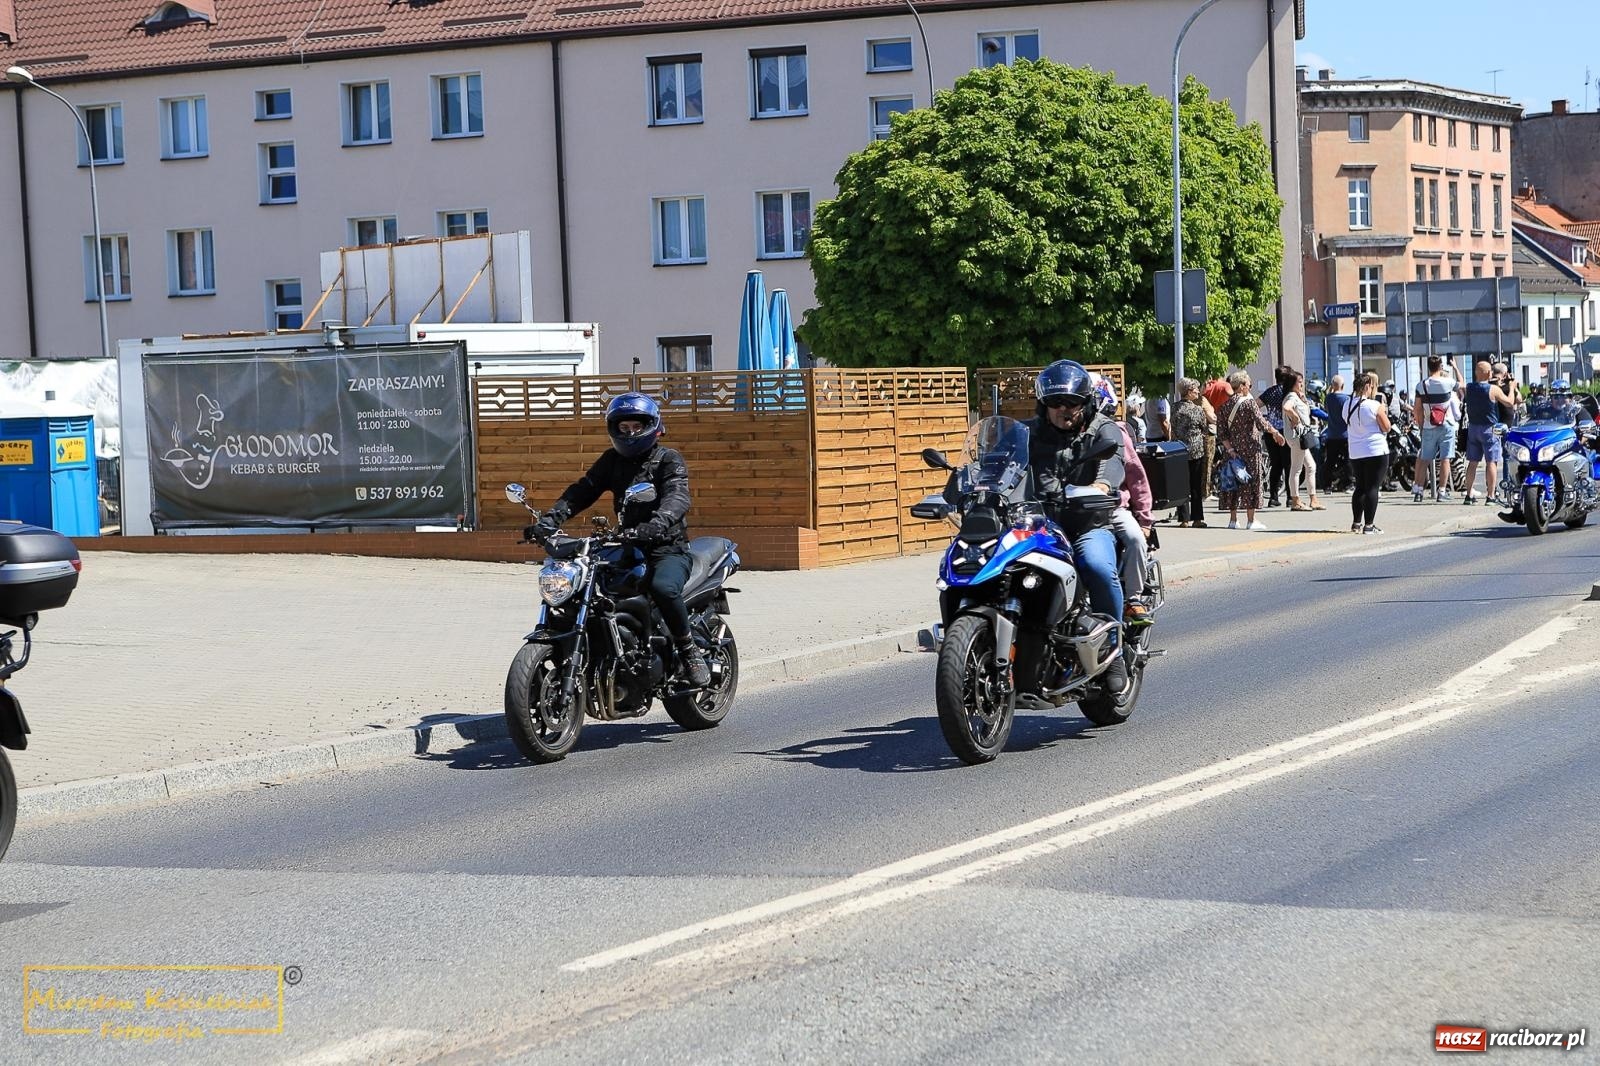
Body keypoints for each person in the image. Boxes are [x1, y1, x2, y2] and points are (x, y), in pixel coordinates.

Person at [531, 392, 710, 688]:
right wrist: (551, 519)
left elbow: (677, 497)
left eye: (636, 428)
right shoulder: (612, 460)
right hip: (628, 545)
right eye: (624, 428)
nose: (630, 433)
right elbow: (584, 490)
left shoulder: (668, 459)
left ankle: (688, 648)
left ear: (652, 426)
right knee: (592, 586)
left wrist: (657, 524)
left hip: (666, 547)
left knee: (662, 588)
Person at [1025, 360, 1130, 692]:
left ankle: (1114, 652)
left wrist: (1101, 487)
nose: (1063, 409)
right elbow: (999, 460)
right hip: (1038, 526)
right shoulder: (1029, 432)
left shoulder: (1103, 430)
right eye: (1055, 402)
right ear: (1044, 405)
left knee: (1097, 566)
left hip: (1086, 522)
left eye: (1071, 402)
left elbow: (1113, 463)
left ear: (1085, 403)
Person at [1090, 374, 1155, 627]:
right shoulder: (1065, 433)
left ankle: (1132, 599)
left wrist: (1145, 519)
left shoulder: (1116, 433)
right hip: (1074, 508)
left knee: (1136, 538)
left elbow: (1136, 475)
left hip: (1112, 507)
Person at [1216, 371, 1285, 530]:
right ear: (1241, 387)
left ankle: (1233, 520)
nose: (1250, 387)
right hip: (1250, 448)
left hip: (1231, 450)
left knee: (1233, 482)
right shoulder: (1249, 403)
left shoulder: (1225, 406)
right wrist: (1275, 432)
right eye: (1249, 384)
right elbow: (1261, 423)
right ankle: (1251, 520)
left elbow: (1222, 433)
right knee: (1251, 482)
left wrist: (1231, 449)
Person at [1461, 360, 1519, 506]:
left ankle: (1468, 495)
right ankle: (1491, 496)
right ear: (1489, 373)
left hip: (1473, 428)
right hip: (1489, 429)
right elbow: (1509, 402)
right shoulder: (1493, 389)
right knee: (1491, 462)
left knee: (1472, 463)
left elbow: (1461, 386)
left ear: (1475, 372)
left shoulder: (1469, 387)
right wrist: (1511, 387)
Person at [1412, 355, 1463, 502]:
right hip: (1446, 425)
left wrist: (1422, 426)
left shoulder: (1421, 386)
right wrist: (1455, 367)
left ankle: (1419, 492)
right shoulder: (1448, 382)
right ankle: (1442, 492)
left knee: (1425, 459)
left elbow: (1417, 409)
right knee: (1445, 458)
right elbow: (1462, 384)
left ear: (1428, 367)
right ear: (1440, 367)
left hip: (1429, 425)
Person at [1345, 372, 1392, 534]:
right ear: (1367, 387)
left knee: (1360, 487)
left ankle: (1356, 523)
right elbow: (1387, 427)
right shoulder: (1374, 405)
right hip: (1375, 450)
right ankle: (1369, 525)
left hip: (1355, 451)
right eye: (1371, 386)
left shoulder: (1347, 404)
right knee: (1372, 488)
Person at [1171, 378, 1211, 528]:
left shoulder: (1174, 408)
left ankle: (1183, 519)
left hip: (1179, 449)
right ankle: (1197, 518)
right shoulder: (1197, 409)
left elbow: (1173, 427)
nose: (1197, 392)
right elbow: (1203, 427)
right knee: (1195, 485)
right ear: (1188, 392)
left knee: (1181, 485)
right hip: (1195, 450)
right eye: (1195, 389)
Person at [1281, 371, 1323, 511]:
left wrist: (1303, 402)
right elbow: (1287, 407)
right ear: (1293, 383)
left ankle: (1313, 499)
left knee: (1311, 466)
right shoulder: (1292, 396)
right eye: (1299, 382)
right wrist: (1294, 417)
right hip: (1297, 436)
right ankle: (1295, 500)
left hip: (1299, 435)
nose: (1302, 384)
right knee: (1297, 469)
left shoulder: (1297, 396)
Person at [1258, 367, 1293, 507]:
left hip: (1270, 431)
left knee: (1275, 464)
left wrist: (1265, 420)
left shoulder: (1270, 392)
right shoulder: (1289, 393)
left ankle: (1273, 496)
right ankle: (1291, 496)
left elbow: (1255, 406)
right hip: (1285, 431)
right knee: (1288, 464)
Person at [1322, 374, 1350, 492]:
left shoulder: (1328, 398)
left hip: (1332, 434)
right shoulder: (1346, 399)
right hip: (1345, 434)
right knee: (1348, 460)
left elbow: (1326, 410)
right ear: (1343, 385)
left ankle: (1327, 485)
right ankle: (1346, 483)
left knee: (1330, 461)